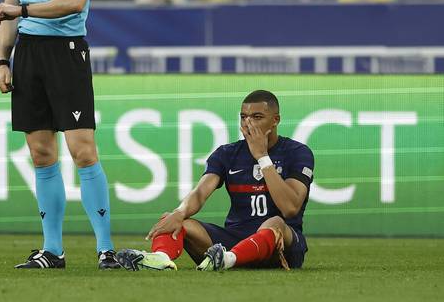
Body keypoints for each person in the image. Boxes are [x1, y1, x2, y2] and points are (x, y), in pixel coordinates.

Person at [0, 0, 119, 270]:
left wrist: (23, 10)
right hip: (28, 55)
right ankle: (53, 251)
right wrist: (2, 59)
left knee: (82, 150)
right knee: (42, 154)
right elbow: (7, 9)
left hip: (66, 52)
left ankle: (106, 249)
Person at [116, 90, 315, 271]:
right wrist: (180, 212)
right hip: (234, 240)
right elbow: (200, 193)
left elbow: (290, 207)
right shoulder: (227, 153)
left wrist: (262, 157)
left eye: (257, 117)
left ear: (275, 120)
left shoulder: (298, 153)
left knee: (275, 222)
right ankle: (160, 259)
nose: (248, 123)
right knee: (175, 219)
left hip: (282, 245)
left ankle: (227, 259)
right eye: (244, 117)